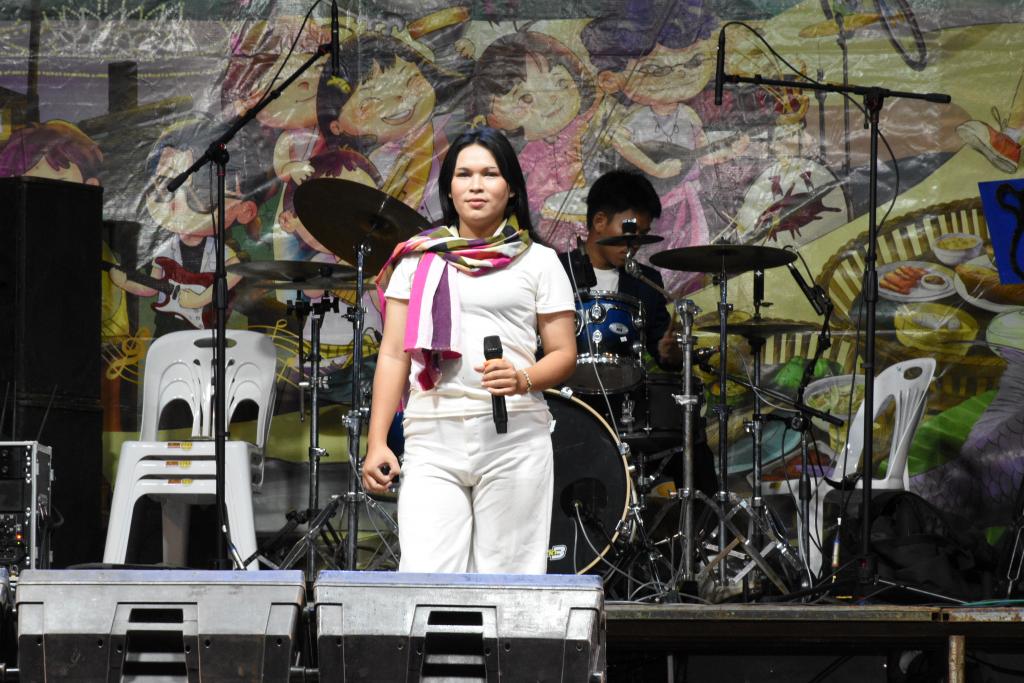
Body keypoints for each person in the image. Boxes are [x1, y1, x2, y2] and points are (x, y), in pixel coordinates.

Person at [363, 127, 577, 574]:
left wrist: (523, 378)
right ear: (449, 188)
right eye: (464, 174)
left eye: (489, 174)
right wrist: (378, 441)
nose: (476, 185)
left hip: (514, 437)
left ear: (512, 188)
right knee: (426, 576)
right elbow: (394, 354)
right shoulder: (417, 259)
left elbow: (563, 353)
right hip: (431, 435)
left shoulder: (539, 261)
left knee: (508, 579)